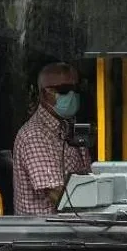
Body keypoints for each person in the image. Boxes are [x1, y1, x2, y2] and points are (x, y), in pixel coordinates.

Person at [12, 62, 92, 215]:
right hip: (44, 232)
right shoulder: (34, 135)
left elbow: (88, 174)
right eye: (63, 90)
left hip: (72, 226)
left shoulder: (70, 125)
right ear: (43, 94)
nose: (71, 95)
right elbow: (59, 195)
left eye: (75, 89)